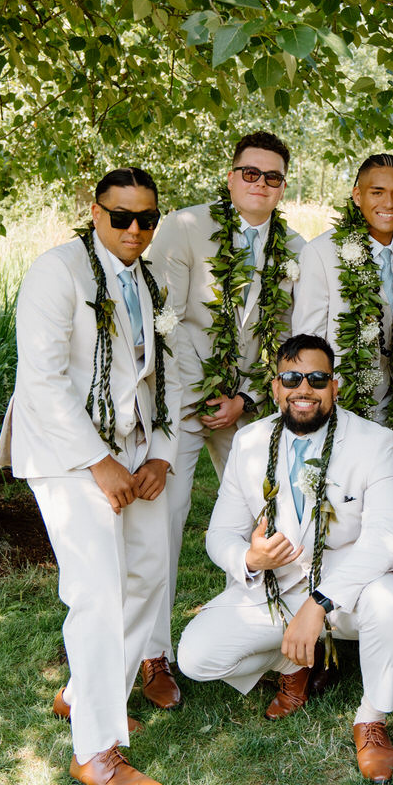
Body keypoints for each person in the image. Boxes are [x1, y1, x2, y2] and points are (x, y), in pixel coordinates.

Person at [0, 167, 180, 785]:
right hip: (68, 455)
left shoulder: (151, 281)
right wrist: (98, 461)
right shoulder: (58, 271)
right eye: (121, 216)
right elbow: (40, 381)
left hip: (133, 451)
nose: (134, 229)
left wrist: (160, 455)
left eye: (146, 218)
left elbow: (163, 376)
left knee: (149, 572)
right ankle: (96, 752)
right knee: (97, 589)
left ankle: (84, 695)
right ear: (95, 212)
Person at [177, 335, 393, 783]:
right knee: (195, 657)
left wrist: (318, 603)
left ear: (335, 387)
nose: (303, 388)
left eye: (317, 378)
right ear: (274, 389)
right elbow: (219, 534)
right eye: (291, 377)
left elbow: (385, 538)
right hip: (278, 588)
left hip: (353, 592)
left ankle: (372, 718)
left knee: (392, 607)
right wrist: (249, 556)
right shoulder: (249, 442)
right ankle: (294, 663)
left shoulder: (374, 441)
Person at [144, 131, 305, 702]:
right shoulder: (186, 229)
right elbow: (163, 321)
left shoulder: (295, 246)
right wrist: (200, 393)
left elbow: (290, 340)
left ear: (284, 185)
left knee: (275, 507)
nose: (260, 184)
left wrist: (245, 399)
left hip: (246, 403)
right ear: (231, 174)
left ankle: (282, 640)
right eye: (250, 172)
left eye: (273, 177)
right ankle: (152, 653)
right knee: (164, 519)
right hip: (179, 398)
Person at [292, 154, 393, 478]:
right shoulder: (321, 253)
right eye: (377, 192)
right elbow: (307, 343)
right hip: (344, 400)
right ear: (357, 195)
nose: (388, 203)